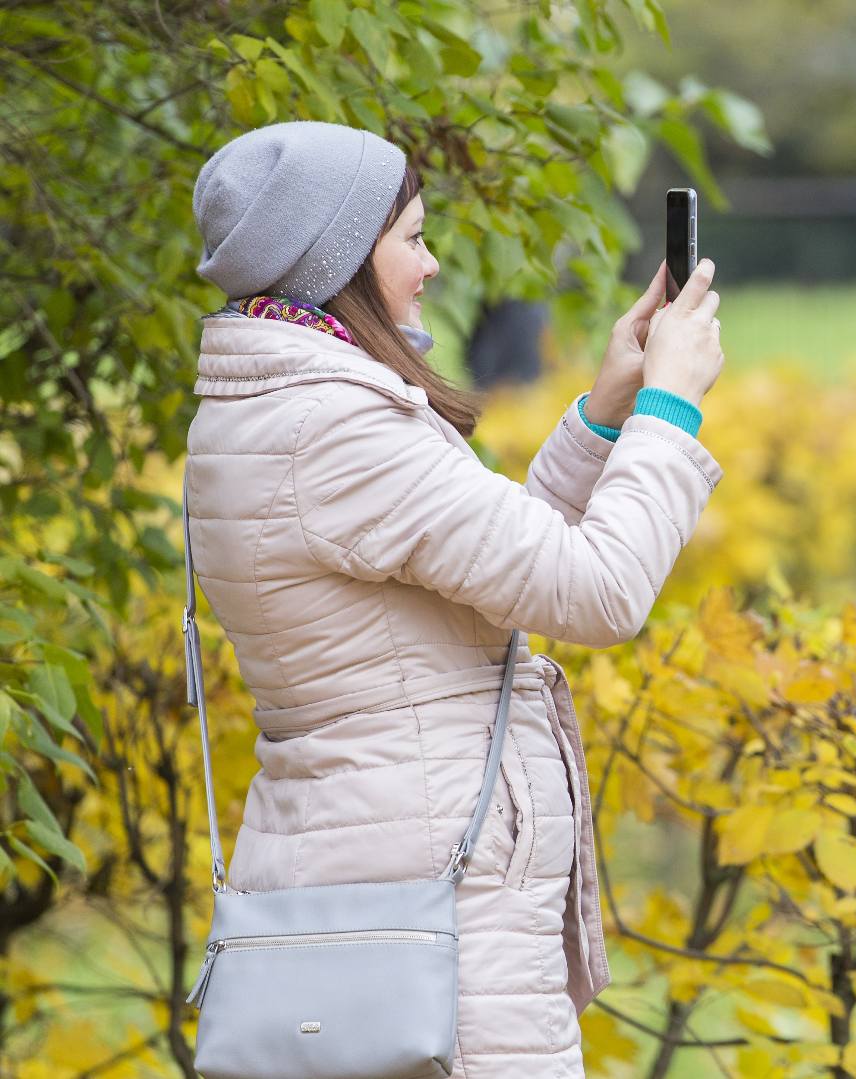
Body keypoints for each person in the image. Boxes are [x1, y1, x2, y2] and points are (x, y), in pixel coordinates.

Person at [185, 120, 724, 1077]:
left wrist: (605, 412)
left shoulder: (276, 405)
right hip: (432, 901)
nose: (431, 266)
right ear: (342, 255)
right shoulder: (332, 427)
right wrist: (671, 410)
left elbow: (482, 575)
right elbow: (597, 591)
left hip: (377, 866)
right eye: (413, 239)